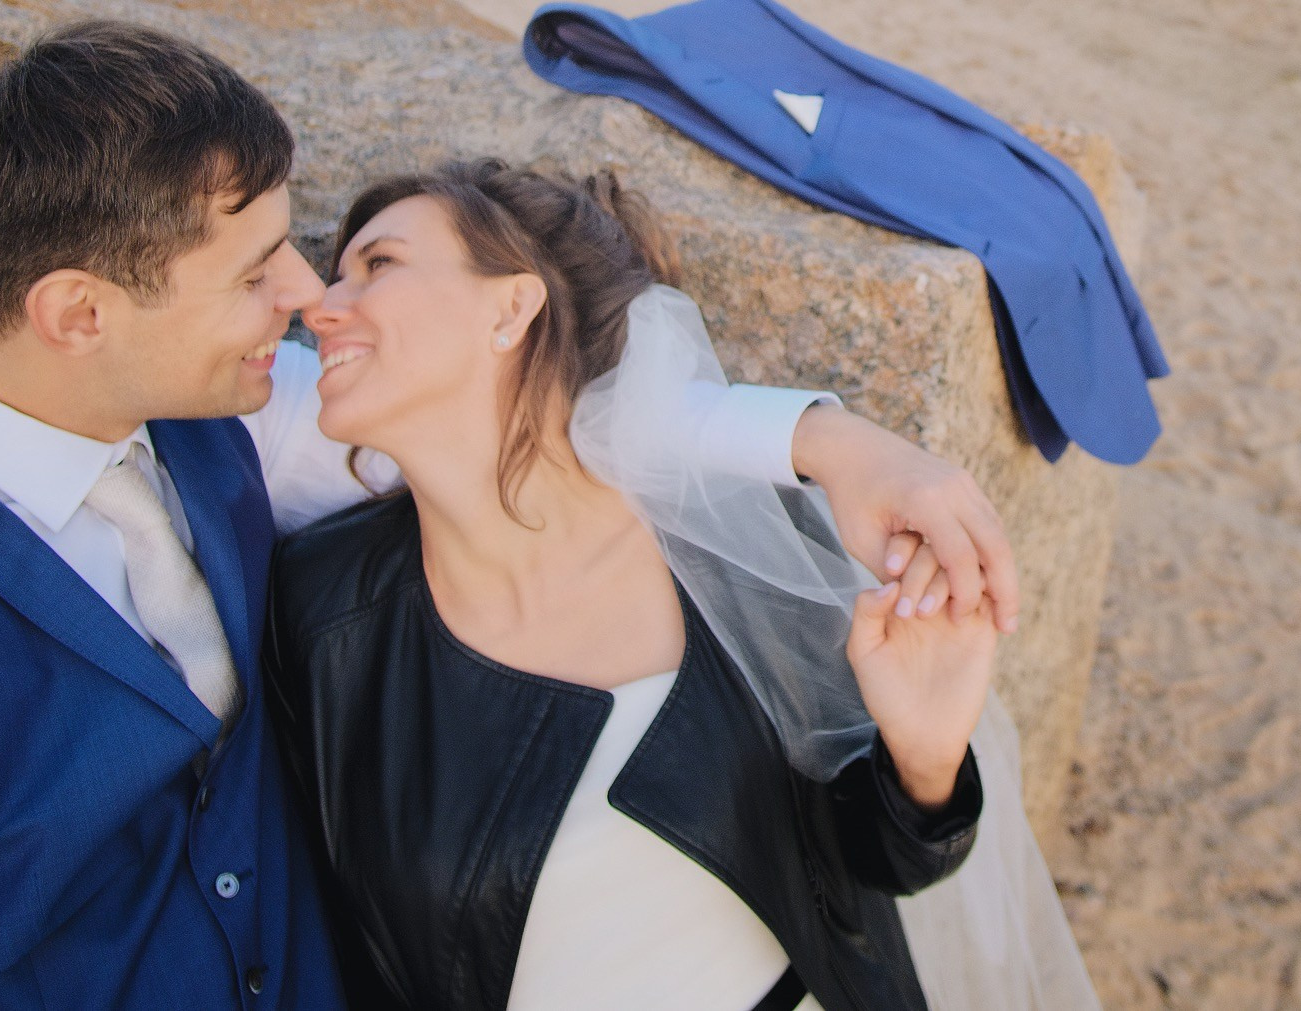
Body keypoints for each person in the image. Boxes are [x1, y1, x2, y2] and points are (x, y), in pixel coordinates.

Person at [0, 21, 1021, 1011]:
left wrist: (833, 441)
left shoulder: (221, 421)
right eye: (259, 266)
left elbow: (543, 414)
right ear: (78, 311)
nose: (306, 295)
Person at [267, 159, 1055, 1011]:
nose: (321, 304)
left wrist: (926, 759)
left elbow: (875, 866)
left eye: (378, 264)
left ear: (511, 308)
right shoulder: (323, 614)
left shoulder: (714, 546)